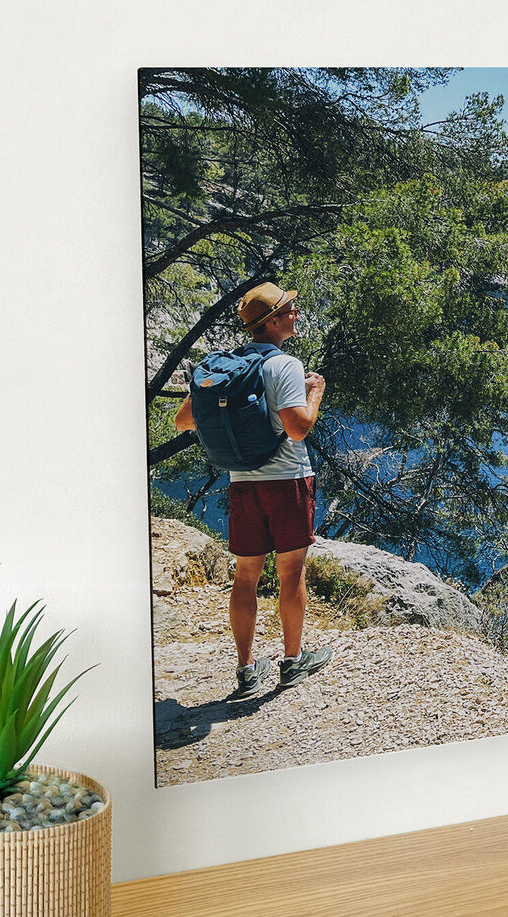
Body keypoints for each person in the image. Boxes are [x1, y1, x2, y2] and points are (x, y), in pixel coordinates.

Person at [175, 281, 334, 700]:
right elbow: (298, 429)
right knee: (291, 573)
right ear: (274, 321)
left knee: (246, 577)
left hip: (242, 483)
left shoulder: (225, 368)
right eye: (291, 310)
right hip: (287, 481)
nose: (296, 314)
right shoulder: (285, 365)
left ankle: (247, 670)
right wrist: (314, 393)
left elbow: (183, 421)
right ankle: (293, 661)